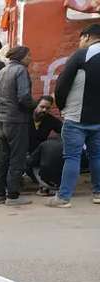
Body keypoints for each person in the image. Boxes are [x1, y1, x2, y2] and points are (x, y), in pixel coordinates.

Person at [49, 23, 100, 208]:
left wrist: (62, 107)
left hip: (76, 118)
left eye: (80, 39)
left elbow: (62, 84)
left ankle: (63, 198)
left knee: (72, 157)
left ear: (87, 37)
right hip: (98, 120)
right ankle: (98, 193)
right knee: (97, 156)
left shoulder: (81, 55)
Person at [0, 45, 36, 205]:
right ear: (21, 57)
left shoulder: (2, 71)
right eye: (29, 56)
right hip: (17, 122)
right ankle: (13, 196)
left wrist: (3, 105)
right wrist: (36, 105)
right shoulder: (20, 71)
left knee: (3, 158)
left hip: (2, 121)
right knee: (17, 158)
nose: (30, 59)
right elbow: (24, 97)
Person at [28, 95, 64, 194]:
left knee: (46, 180)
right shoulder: (25, 117)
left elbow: (64, 131)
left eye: (47, 108)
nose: (44, 110)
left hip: (40, 156)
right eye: (42, 107)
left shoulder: (50, 120)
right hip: (24, 153)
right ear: (36, 105)